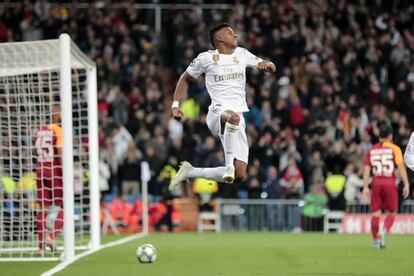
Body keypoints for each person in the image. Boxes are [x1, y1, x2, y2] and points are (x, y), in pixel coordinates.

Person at [168, 23, 276, 189]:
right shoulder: (206, 58)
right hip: (217, 113)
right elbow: (184, 78)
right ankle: (228, 165)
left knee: (239, 176)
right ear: (219, 38)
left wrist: (267, 66)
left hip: (238, 119)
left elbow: (270, 66)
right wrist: (175, 105)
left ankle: (190, 172)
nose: (235, 36)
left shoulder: (242, 54)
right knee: (231, 117)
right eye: (229, 33)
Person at [362, 125, 410, 249]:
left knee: (376, 213)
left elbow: (366, 169)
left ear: (379, 136)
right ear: (390, 136)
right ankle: (383, 230)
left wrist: (366, 186)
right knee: (392, 212)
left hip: (376, 183)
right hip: (389, 183)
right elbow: (400, 166)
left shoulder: (371, 150)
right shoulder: (395, 149)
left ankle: (375, 241)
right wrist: (406, 184)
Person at [33, 105, 63, 254]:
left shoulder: (38, 131)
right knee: (64, 206)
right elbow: (60, 152)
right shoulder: (57, 130)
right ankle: (51, 236)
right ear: (56, 115)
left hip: (40, 170)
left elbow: (35, 150)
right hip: (54, 171)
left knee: (42, 209)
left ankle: (40, 247)